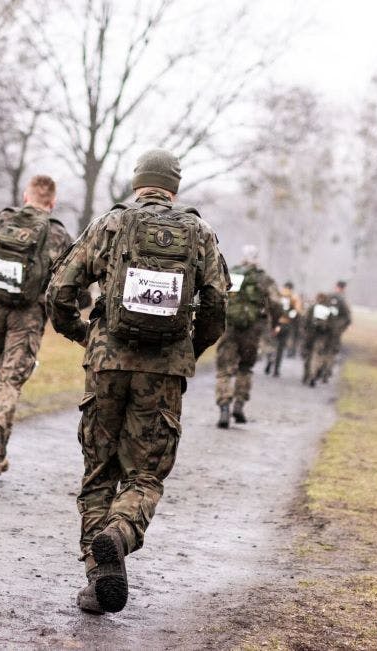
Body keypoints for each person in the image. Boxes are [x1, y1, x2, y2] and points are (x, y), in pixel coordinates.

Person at [46, 149, 228, 615]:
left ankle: (96, 574)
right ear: (174, 186)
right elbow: (216, 307)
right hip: (164, 371)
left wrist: (84, 334)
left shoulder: (110, 223)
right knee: (145, 473)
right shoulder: (200, 232)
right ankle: (120, 533)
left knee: (99, 472)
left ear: (137, 182)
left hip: (106, 364)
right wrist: (188, 350)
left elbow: (60, 290)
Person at [0, 175, 72, 490]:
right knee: (11, 380)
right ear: (52, 202)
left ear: (26, 196)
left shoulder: (0, 220)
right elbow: (74, 283)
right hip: (29, 315)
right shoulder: (58, 234)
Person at [214, 245, 279, 428]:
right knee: (245, 368)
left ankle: (224, 407)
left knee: (224, 369)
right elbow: (275, 302)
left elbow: (217, 294)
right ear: (257, 259)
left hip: (229, 328)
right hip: (252, 331)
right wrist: (275, 324)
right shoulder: (263, 279)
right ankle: (239, 405)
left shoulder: (231, 273)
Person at [264, 281, 303, 377]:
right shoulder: (294, 297)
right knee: (281, 348)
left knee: (272, 343)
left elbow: (269, 307)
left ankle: (270, 358)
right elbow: (298, 311)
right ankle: (276, 370)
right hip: (286, 324)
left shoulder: (277, 294)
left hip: (275, 323)